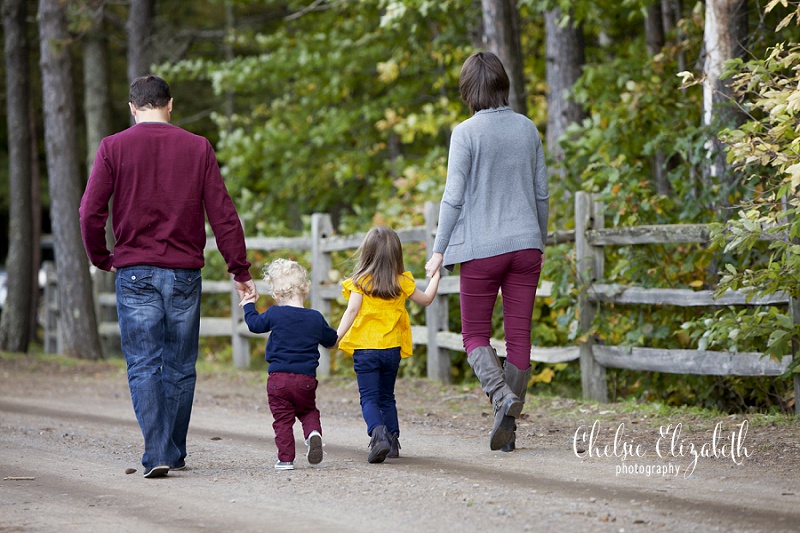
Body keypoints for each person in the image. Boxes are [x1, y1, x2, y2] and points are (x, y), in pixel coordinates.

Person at [79, 75, 257, 478]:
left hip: (135, 272)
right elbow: (223, 214)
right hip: (183, 274)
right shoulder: (197, 147)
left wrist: (102, 257)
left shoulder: (113, 147)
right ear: (170, 104)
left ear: (132, 107)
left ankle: (158, 451)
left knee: (144, 363)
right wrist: (239, 269)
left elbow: (90, 211)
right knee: (179, 365)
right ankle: (172, 451)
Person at [425, 51, 549, 452]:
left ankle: (501, 398)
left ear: (468, 90)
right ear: (503, 84)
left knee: (475, 334)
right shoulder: (528, 129)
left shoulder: (465, 133)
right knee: (519, 337)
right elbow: (541, 194)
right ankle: (507, 427)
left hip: (481, 250)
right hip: (526, 245)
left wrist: (438, 250)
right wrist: (538, 239)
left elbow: (452, 198)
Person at [337, 226, 441, 463]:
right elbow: (426, 299)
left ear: (367, 253)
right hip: (391, 350)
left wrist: (337, 336)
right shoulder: (402, 281)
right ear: (396, 254)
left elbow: (352, 311)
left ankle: (378, 435)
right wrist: (435, 276)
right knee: (387, 397)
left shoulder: (360, 282)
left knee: (369, 399)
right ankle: (392, 441)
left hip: (365, 349)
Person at [240, 259, 337, 471]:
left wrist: (248, 305)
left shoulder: (275, 314)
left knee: (283, 419)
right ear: (306, 289)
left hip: (278, 380)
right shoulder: (315, 317)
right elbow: (331, 340)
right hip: (306, 380)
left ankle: (285, 460)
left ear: (275, 294)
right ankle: (313, 433)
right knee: (308, 410)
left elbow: (255, 325)